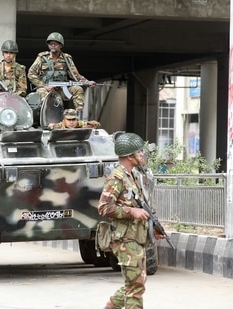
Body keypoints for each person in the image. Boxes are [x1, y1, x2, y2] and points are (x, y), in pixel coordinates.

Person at [97, 132, 167, 309]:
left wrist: (154, 226)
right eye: (139, 152)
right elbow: (104, 207)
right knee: (136, 286)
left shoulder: (132, 176)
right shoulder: (117, 178)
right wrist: (131, 211)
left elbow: (143, 207)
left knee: (137, 281)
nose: (142, 155)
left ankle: (111, 305)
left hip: (136, 237)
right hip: (125, 239)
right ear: (130, 156)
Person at [27, 32, 96, 115]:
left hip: (61, 90)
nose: (53, 46)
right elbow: (31, 74)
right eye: (51, 43)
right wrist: (44, 85)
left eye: (55, 44)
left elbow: (75, 75)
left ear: (60, 45)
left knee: (78, 89)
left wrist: (87, 82)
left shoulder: (66, 58)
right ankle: (48, 115)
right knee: (42, 92)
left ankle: (78, 115)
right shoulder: (42, 57)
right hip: (46, 89)